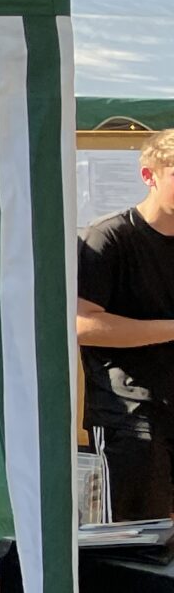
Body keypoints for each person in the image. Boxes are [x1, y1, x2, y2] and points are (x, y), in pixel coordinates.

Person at [76, 126, 174, 521]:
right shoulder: (108, 237)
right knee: (137, 540)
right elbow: (83, 325)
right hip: (131, 416)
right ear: (149, 175)